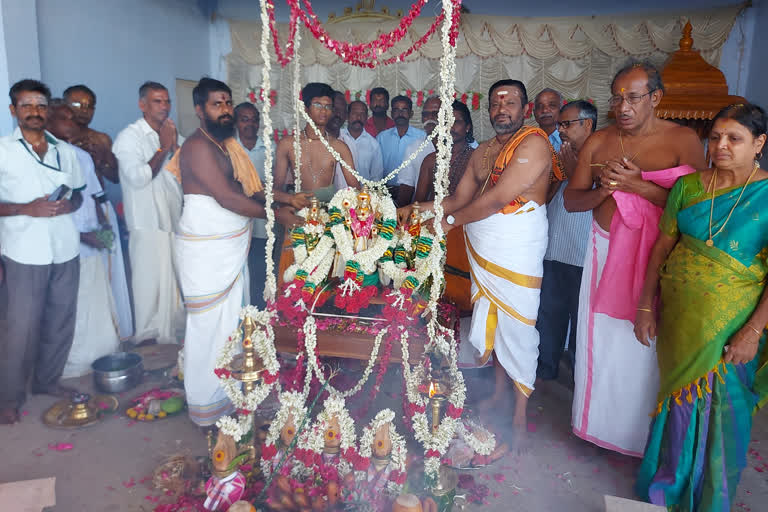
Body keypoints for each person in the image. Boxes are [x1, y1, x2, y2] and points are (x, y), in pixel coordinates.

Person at [400, 79, 563, 451]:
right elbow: (459, 199)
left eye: (510, 102)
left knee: (518, 326)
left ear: (525, 110)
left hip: (516, 249)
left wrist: (450, 223)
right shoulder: (485, 150)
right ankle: (499, 392)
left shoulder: (534, 143)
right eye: (495, 103)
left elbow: (500, 199)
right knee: (493, 318)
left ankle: (520, 410)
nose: (501, 108)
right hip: (487, 250)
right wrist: (417, 209)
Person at [564, 61, 707, 456]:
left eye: (633, 97)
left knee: (644, 349)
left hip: (658, 254)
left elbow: (700, 210)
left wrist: (639, 187)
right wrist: (606, 192)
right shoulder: (599, 142)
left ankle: (642, 441)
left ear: (656, 98)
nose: (622, 106)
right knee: (604, 341)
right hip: (605, 249)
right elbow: (572, 200)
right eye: (616, 98)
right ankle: (595, 428)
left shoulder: (684, 140)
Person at [634, 103, 768, 511]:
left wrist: (752, 331)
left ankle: (710, 497)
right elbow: (662, 246)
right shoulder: (689, 187)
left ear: (759, 143)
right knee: (677, 401)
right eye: (715, 137)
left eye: (734, 138)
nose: (720, 146)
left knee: (722, 408)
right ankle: (668, 487)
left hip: (732, 324)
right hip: (679, 317)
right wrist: (645, 306)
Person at [174, 78, 301, 426]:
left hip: (227, 250)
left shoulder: (225, 144)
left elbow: (249, 188)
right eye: (217, 104)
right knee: (208, 327)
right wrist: (278, 214)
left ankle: (227, 396)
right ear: (200, 110)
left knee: (230, 325)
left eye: (228, 102)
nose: (226, 110)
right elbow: (228, 198)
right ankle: (205, 405)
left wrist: (288, 199)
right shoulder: (198, 147)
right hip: (206, 254)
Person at [0, 80, 85, 424]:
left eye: (40, 105)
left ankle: (47, 381)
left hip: (65, 247)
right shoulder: (3, 150)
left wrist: (68, 207)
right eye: (26, 105)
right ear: (13, 111)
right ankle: (9, 396)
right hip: (24, 251)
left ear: (47, 110)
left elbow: (78, 194)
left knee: (60, 320)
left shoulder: (65, 151)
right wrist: (25, 209)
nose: (34, 111)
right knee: (20, 328)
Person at [46, 99, 120, 377]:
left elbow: (96, 196)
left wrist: (103, 226)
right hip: (67, 245)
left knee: (96, 300)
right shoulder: (46, 157)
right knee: (70, 306)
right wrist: (81, 235)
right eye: (66, 118)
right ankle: (72, 365)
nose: (74, 123)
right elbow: (47, 210)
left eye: (74, 118)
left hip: (93, 239)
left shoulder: (83, 157)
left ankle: (102, 354)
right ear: (49, 122)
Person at [113, 81, 185, 345]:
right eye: (157, 101)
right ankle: (147, 338)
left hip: (173, 218)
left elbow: (187, 171)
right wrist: (163, 148)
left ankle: (171, 334)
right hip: (146, 222)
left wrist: (174, 145)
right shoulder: (129, 138)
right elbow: (139, 178)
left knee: (174, 282)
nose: (164, 106)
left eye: (167, 101)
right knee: (148, 284)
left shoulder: (170, 133)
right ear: (142, 105)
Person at [535, 100, 595, 383]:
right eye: (560, 125)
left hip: (583, 254)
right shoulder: (557, 153)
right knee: (548, 313)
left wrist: (572, 168)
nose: (561, 130)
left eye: (567, 124)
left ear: (588, 124)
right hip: (552, 249)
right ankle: (545, 369)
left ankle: (579, 381)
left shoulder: (601, 156)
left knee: (581, 321)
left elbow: (584, 193)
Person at [274, 82, 359, 202]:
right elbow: (276, 188)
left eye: (328, 106)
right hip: (297, 210)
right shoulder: (288, 144)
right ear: (305, 108)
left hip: (329, 214)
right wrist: (288, 203)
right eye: (318, 105)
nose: (324, 111)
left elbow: (355, 188)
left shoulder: (339, 147)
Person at [234, 102, 271, 309]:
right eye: (244, 119)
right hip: (236, 223)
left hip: (262, 224)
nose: (250, 124)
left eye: (254, 119)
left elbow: (277, 184)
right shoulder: (229, 148)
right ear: (236, 122)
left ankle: (259, 313)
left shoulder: (269, 148)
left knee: (260, 270)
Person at [414, 100, 475, 201]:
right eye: (446, 122)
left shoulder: (476, 157)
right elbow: (418, 202)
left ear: (467, 127)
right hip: (433, 214)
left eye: (456, 122)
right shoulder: (430, 160)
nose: (451, 127)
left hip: (467, 215)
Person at [63, 84, 119, 184]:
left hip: (95, 198)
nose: (84, 111)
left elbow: (116, 178)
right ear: (64, 106)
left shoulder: (101, 139)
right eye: (78, 105)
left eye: (90, 106)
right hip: (64, 198)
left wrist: (100, 163)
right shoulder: (55, 138)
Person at [376, 95, 426, 201]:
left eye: (404, 110)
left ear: (411, 114)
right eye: (396, 110)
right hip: (386, 193)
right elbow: (377, 168)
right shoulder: (382, 137)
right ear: (391, 113)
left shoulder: (422, 137)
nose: (400, 113)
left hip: (413, 193)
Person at [395, 96, 441, 205]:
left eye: (435, 114)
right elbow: (407, 187)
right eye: (425, 115)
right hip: (421, 212)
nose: (429, 118)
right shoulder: (414, 148)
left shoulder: (458, 145)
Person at [338, 100, 384, 182]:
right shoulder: (338, 137)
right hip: (338, 192)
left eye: (362, 114)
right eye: (354, 113)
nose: (358, 117)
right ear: (347, 116)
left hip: (362, 193)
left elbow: (376, 176)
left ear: (367, 117)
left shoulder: (373, 144)